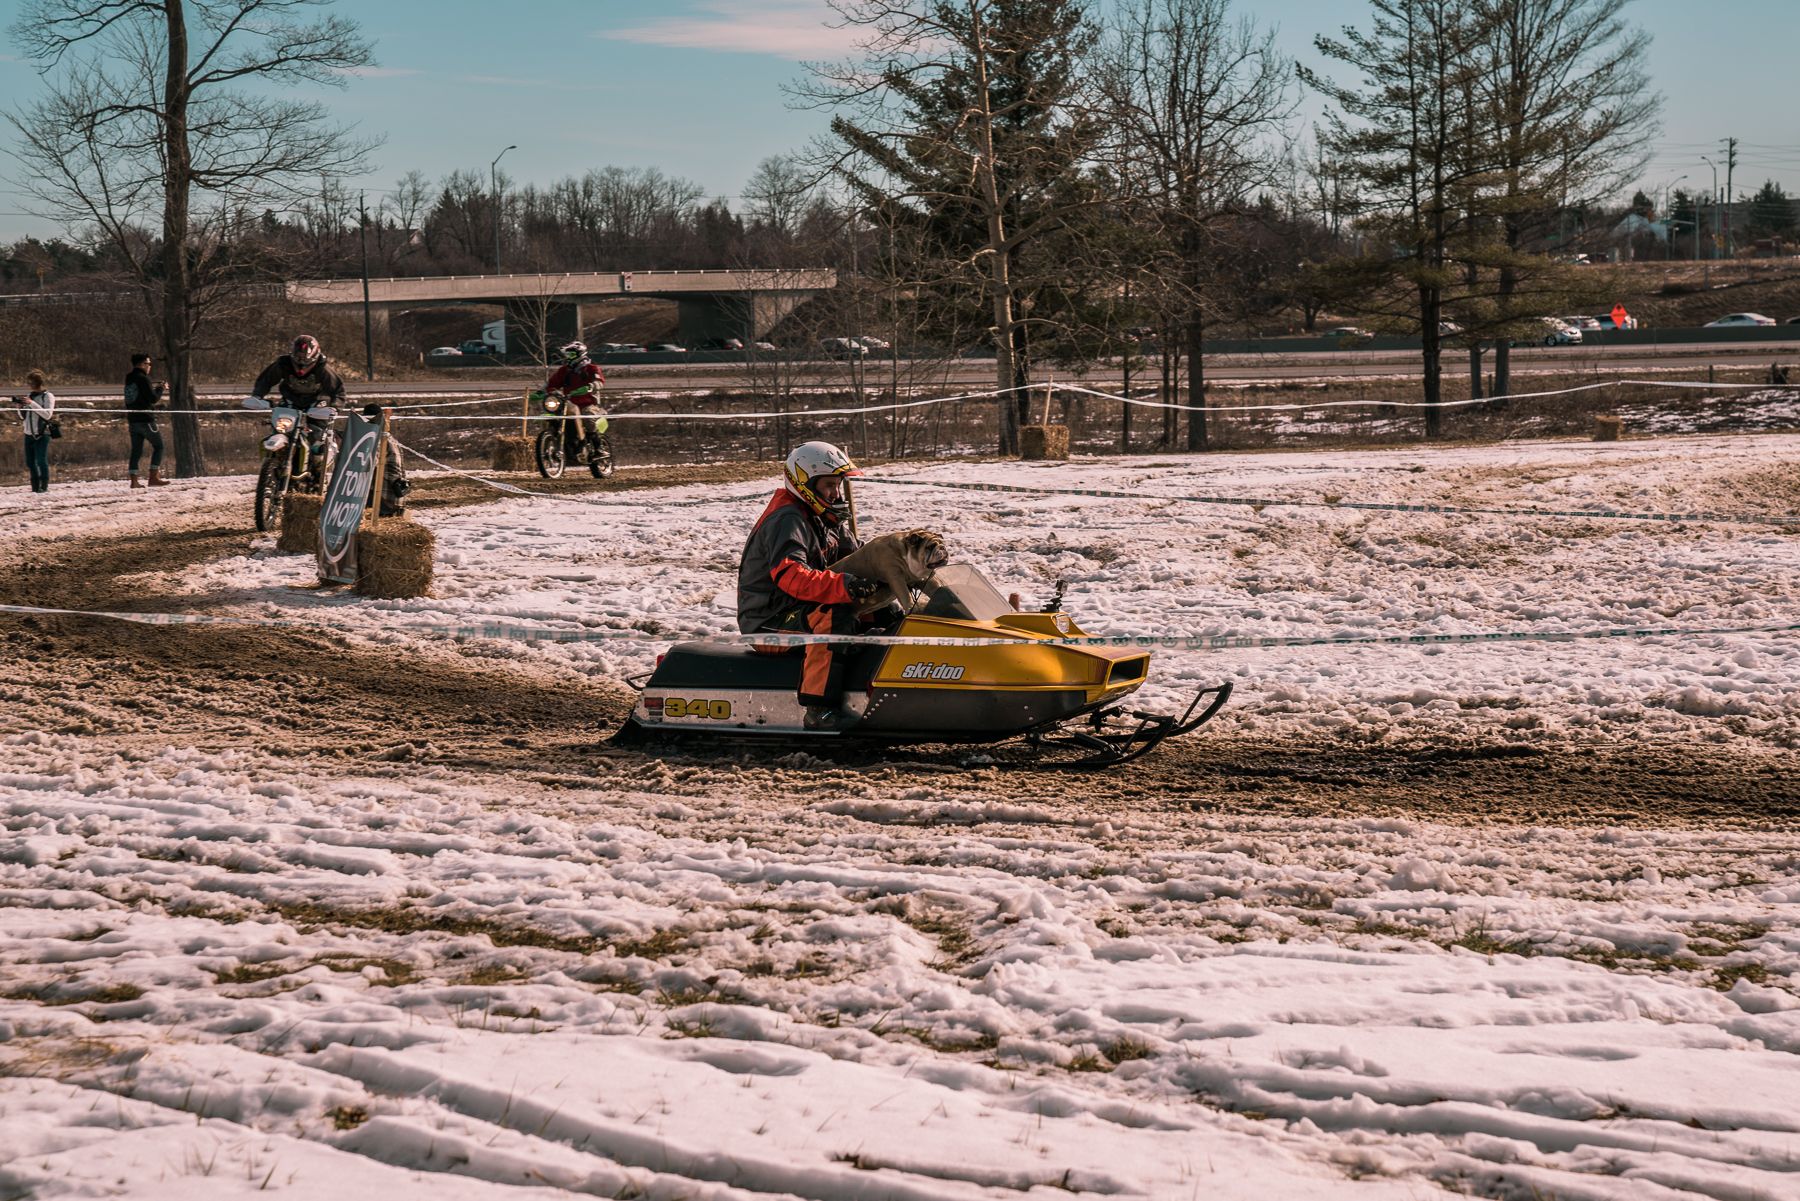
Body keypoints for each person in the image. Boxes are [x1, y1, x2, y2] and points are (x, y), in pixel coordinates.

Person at [738, 441, 884, 729]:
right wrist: (845, 585)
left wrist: (898, 564)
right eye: (830, 485)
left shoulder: (825, 517)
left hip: (800, 609)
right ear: (804, 482)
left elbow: (858, 557)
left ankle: (881, 685)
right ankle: (820, 710)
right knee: (835, 617)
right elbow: (791, 576)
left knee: (883, 612)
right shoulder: (787, 519)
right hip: (768, 620)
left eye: (839, 485)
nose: (836, 493)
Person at [246, 334, 408, 514]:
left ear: (314, 356)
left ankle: (316, 470)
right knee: (279, 427)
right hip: (289, 405)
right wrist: (257, 396)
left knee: (317, 438)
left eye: (305, 359)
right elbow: (264, 380)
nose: (301, 364)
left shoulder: (323, 369)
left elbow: (339, 393)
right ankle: (277, 464)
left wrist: (334, 408)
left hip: (317, 407)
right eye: (298, 358)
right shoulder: (283, 364)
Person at [543, 341, 606, 459]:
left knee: (588, 419)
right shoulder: (564, 370)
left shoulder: (592, 368)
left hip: (588, 403)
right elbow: (552, 383)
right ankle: (556, 442)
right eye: (567, 355)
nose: (568, 358)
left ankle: (598, 449)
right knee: (552, 415)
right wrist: (542, 392)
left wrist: (590, 387)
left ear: (580, 354)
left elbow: (600, 381)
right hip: (568, 403)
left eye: (571, 355)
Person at [123, 352, 169, 488]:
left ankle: (134, 481)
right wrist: (161, 388)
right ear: (142, 364)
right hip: (146, 420)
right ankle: (153, 477)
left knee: (136, 450)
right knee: (159, 446)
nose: (150, 366)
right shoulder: (143, 379)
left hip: (132, 420)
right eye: (149, 364)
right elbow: (153, 398)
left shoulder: (129, 378)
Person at [12, 370, 56, 494]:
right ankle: (35, 487)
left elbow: (47, 415)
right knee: (30, 462)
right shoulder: (29, 396)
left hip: (42, 433)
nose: (30, 385)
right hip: (28, 434)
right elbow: (23, 417)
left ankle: (44, 486)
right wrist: (19, 408)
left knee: (41, 460)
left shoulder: (48, 396)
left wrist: (32, 404)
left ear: (38, 383)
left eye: (31, 382)